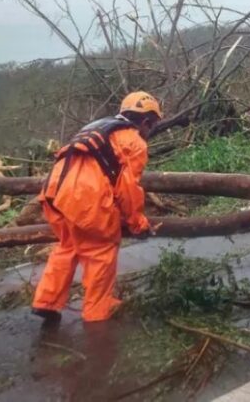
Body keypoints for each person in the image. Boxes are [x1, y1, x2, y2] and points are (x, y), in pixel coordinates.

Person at [31, 91, 162, 323]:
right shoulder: (134, 141)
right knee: (100, 251)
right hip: (83, 198)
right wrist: (137, 223)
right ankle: (97, 314)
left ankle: (46, 301)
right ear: (146, 121)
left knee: (68, 246)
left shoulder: (97, 127)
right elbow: (128, 189)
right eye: (150, 126)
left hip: (53, 194)